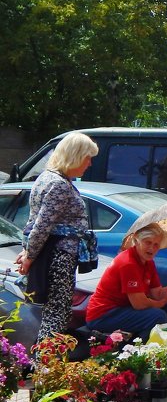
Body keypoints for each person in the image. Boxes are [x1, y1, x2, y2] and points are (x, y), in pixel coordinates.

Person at [16, 132, 98, 343]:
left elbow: (33, 222)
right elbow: (42, 225)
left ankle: (46, 363)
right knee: (57, 313)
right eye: (88, 158)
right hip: (59, 256)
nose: (89, 164)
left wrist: (27, 250)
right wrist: (29, 256)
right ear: (75, 156)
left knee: (56, 313)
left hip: (55, 254)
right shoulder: (59, 184)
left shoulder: (47, 178)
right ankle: (44, 365)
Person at [85, 224, 167, 335]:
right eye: (148, 242)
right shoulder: (128, 263)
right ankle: (136, 351)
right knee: (157, 315)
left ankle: (166, 348)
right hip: (103, 315)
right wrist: (159, 304)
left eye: (156, 245)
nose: (152, 248)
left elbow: (158, 294)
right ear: (137, 241)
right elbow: (139, 304)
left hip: (123, 308)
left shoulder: (148, 262)